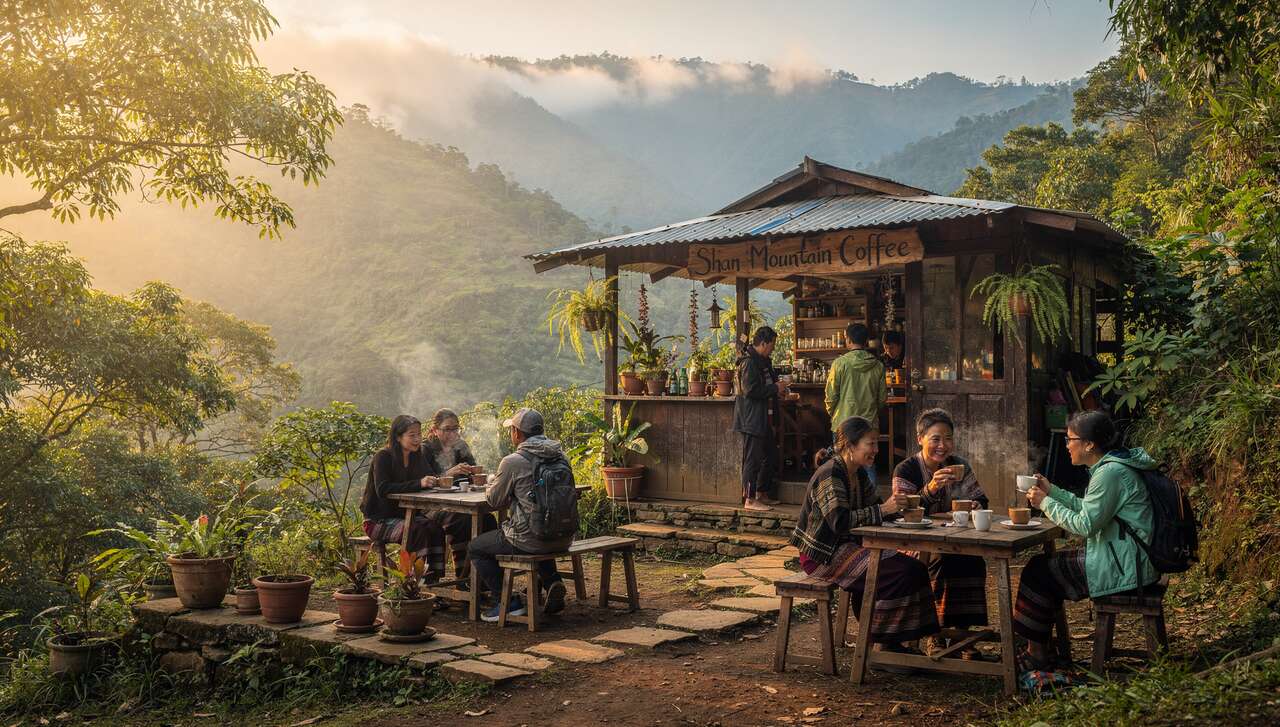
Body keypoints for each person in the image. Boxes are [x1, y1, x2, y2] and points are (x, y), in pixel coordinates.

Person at [1014, 410, 1159, 671]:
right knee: (1042, 569)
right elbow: (1089, 509)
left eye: (1070, 439)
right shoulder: (1114, 466)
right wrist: (1053, 492)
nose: (1067, 445)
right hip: (1130, 559)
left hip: (1125, 568)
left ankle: (1036, 653)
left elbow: (1085, 525)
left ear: (1089, 444)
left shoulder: (1110, 474)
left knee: (1038, 572)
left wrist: (1043, 502)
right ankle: (1042, 648)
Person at [791, 416, 940, 663]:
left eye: (876, 444)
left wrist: (902, 507)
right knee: (901, 572)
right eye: (870, 444)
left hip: (850, 548)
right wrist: (884, 510)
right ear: (850, 446)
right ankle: (882, 645)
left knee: (914, 568)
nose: (876, 450)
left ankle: (889, 640)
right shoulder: (831, 473)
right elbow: (839, 522)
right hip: (823, 555)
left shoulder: (858, 474)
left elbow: (875, 509)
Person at [892, 408, 989, 655]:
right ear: (920, 438)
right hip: (914, 545)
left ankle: (962, 635)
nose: (942, 445)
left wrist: (976, 505)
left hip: (955, 540)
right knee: (941, 561)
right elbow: (901, 512)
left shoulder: (959, 465)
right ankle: (934, 634)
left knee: (972, 560)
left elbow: (981, 499)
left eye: (948, 439)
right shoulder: (906, 469)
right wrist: (931, 488)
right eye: (935, 439)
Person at [469, 407, 574, 622]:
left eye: (512, 430)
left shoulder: (513, 461)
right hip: (564, 537)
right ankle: (552, 579)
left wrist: (491, 482)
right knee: (538, 527)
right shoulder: (561, 455)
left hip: (530, 540)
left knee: (476, 548)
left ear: (517, 433)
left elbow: (494, 500)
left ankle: (505, 602)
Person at [359, 415, 446, 577]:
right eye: (412, 435)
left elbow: (429, 476)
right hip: (378, 521)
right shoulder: (383, 457)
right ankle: (412, 582)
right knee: (416, 531)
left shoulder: (416, 455)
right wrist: (419, 483)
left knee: (436, 529)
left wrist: (435, 480)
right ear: (398, 437)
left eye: (419, 434)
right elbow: (383, 489)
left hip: (407, 516)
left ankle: (433, 582)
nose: (417, 439)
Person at [423, 408, 495, 578]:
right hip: (431, 506)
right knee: (462, 520)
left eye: (455, 429)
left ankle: (486, 577)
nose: (452, 433)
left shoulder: (460, 446)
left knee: (488, 520)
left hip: (459, 502)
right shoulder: (425, 449)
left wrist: (473, 473)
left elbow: (473, 474)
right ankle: (464, 576)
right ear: (434, 430)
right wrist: (449, 473)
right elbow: (423, 482)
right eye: (447, 429)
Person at [824, 322, 887, 482]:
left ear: (848, 340)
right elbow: (882, 399)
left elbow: (830, 396)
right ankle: (872, 503)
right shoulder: (878, 366)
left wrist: (834, 414)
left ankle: (843, 499)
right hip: (869, 423)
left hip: (843, 423)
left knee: (841, 464)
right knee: (868, 463)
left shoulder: (840, 363)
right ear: (866, 341)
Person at [733, 326, 785, 510]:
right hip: (751, 419)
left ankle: (761, 493)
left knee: (770, 455)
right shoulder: (749, 362)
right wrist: (775, 389)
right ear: (763, 343)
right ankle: (749, 499)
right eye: (772, 345)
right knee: (752, 460)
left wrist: (778, 390)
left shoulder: (762, 361)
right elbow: (751, 390)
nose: (773, 348)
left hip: (763, 419)